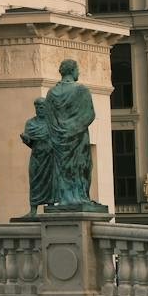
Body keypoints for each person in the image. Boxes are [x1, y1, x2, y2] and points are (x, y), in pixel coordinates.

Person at [43, 58, 103, 209]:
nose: (79, 72)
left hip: (59, 140)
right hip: (78, 139)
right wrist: (73, 129)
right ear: (72, 71)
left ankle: (66, 198)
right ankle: (80, 197)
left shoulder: (51, 94)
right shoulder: (81, 90)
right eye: (78, 70)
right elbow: (89, 114)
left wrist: (60, 133)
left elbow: (49, 119)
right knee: (82, 167)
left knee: (63, 169)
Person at [21, 97, 57, 216]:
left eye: (42, 107)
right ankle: (33, 210)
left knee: (51, 181)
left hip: (50, 157)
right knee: (35, 181)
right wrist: (26, 139)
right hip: (37, 156)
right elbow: (30, 141)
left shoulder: (52, 122)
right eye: (37, 107)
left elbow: (58, 138)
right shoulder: (31, 123)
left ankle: (51, 207)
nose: (39, 109)